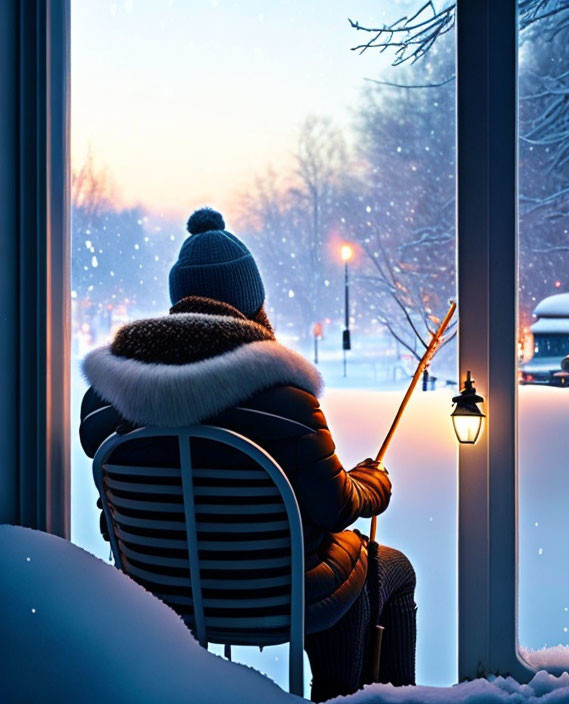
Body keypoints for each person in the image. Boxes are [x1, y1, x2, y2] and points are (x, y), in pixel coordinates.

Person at [79, 207, 416, 701]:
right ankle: (340, 692)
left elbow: (102, 464)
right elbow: (335, 506)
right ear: (252, 304)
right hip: (275, 594)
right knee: (382, 566)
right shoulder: (282, 396)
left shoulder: (114, 401)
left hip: (161, 591)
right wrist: (373, 484)